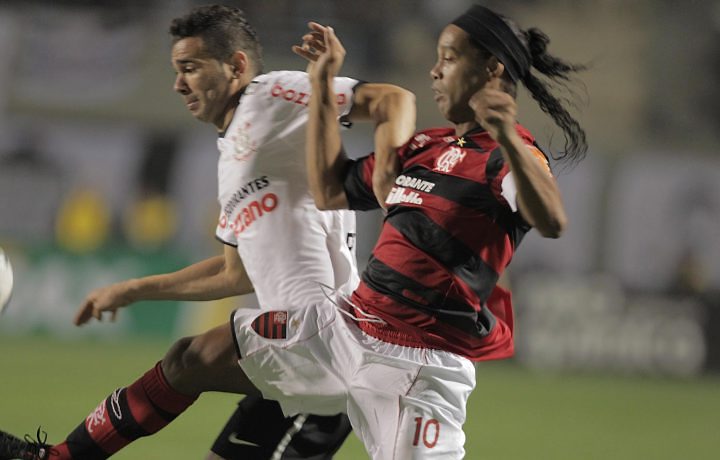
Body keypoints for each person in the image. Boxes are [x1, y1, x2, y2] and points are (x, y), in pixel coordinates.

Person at [1, 3, 587, 459]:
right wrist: (326, 81)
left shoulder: (506, 158)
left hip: (417, 363)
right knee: (191, 356)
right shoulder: (428, 147)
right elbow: (333, 190)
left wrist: (509, 136)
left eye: (450, 57)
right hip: (343, 327)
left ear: (492, 70)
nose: (435, 68)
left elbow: (550, 219)